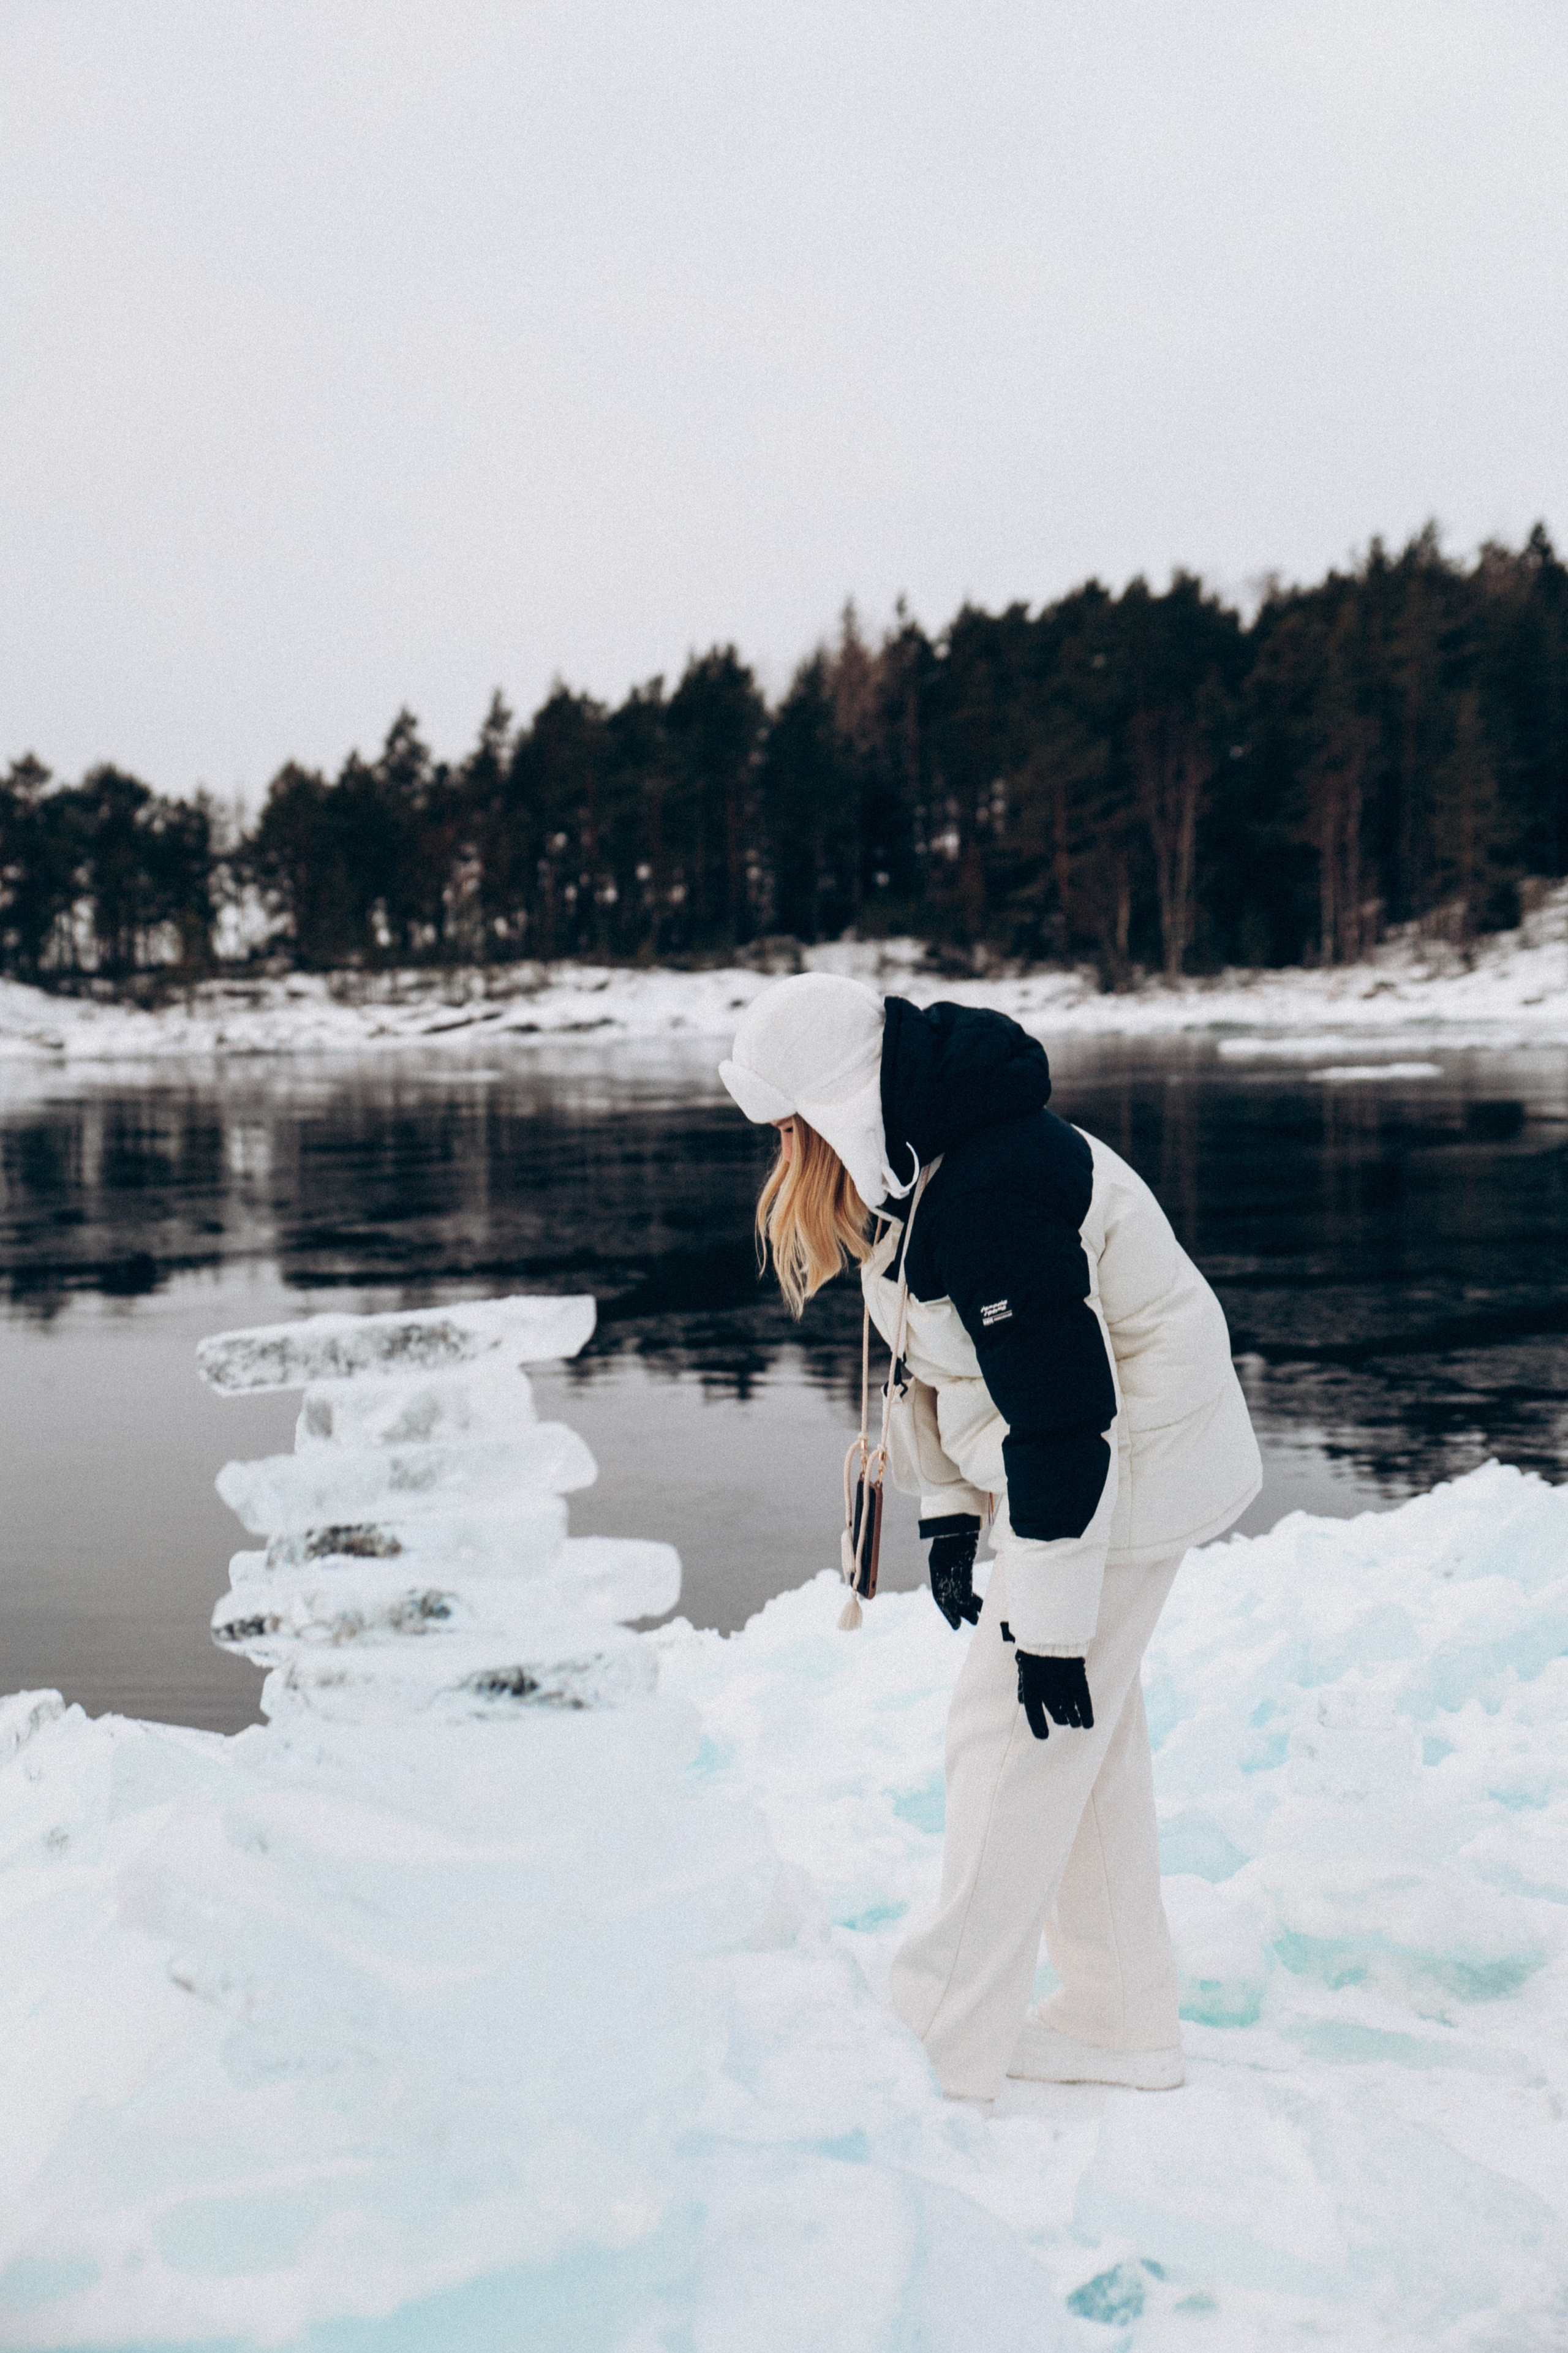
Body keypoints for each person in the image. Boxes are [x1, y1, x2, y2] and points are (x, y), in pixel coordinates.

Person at [718, 973, 1261, 2104]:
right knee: (1086, 1752)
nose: (780, 1158)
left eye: (786, 1128)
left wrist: (1050, 1627)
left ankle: (932, 2049)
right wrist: (953, 1514)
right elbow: (948, 1368)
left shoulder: (994, 1185)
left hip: (1126, 1462)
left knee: (1006, 1737)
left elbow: (1066, 1414)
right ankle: (1120, 2019)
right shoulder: (910, 1171)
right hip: (1084, 1459)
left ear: (837, 1102)